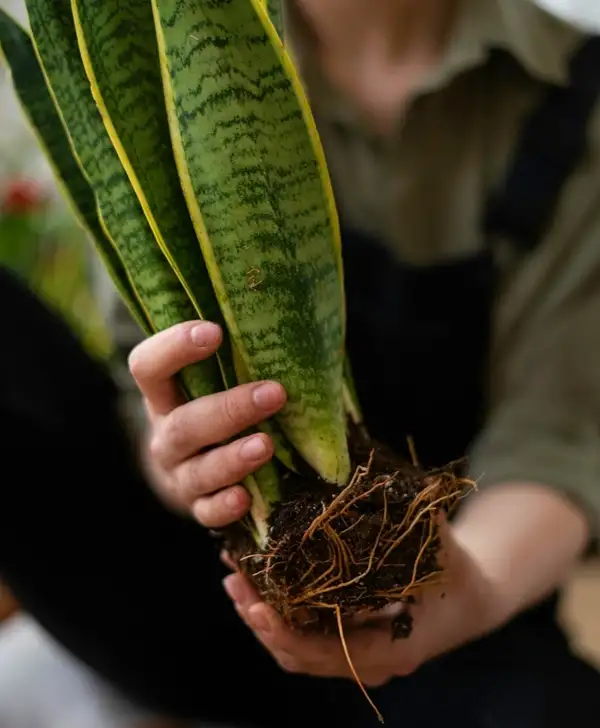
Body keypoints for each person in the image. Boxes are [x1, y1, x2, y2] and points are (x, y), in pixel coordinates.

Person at [3, 0, 600, 726]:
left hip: (449, 609)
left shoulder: (575, 91)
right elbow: (144, 386)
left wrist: (469, 590)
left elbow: (561, 431)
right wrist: (183, 460)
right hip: (208, 595)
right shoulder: (169, 38)